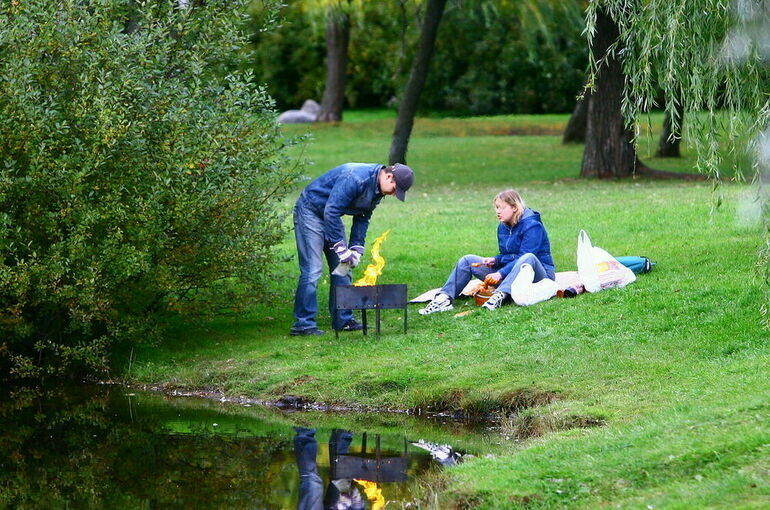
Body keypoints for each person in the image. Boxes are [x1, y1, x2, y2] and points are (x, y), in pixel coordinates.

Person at [292, 163, 414, 336]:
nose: (394, 193)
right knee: (313, 270)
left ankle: (343, 320)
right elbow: (332, 210)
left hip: (330, 215)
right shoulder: (356, 178)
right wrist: (341, 248)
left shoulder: (378, 189)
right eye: (395, 188)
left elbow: (363, 217)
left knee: (344, 269)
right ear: (388, 177)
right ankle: (303, 325)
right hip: (310, 212)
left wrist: (356, 249)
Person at [419, 189, 555, 314]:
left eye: (502, 208)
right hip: (512, 276)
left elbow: (523, 257)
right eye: (496, 207)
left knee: (528, 257)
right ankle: (444, 299)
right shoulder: (502, 226)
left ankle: (499, 296)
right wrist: (496, 260)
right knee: (468, 260)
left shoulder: (532, 226)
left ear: (514, 207)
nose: (498, 212)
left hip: (538, 276)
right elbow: (509, 255)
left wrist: (500, 273)